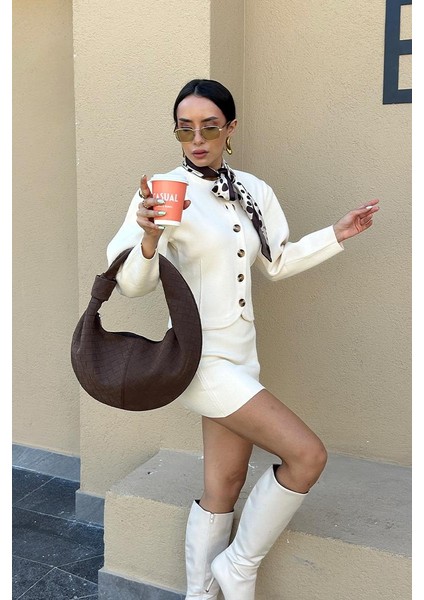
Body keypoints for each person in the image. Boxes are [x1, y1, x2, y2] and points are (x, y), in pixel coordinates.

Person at [106, 79, 379, 600]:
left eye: (209, 128)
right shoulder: (162, 190)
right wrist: (148, 237)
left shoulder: (253, 190)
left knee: (224, 486)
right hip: (200, 360)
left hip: (242, 358)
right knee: (307, 456)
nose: (197, 140)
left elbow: (276, 263)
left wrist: (336, 234)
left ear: (230, 129)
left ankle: (201, 593)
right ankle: (238, 566)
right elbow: (131, 285)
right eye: (185, 129)